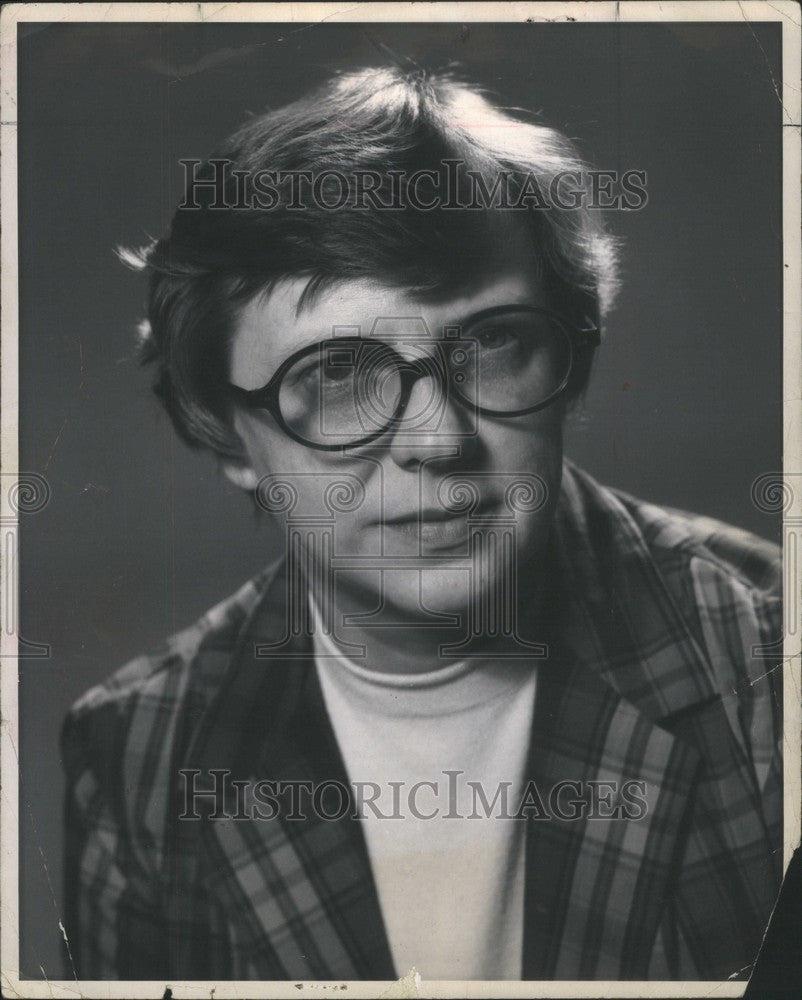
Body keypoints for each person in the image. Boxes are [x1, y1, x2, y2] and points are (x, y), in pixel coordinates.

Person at [61, 67, 782, 982]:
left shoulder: (772, 666)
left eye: (494, 346)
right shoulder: (135, 757)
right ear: (222, 429)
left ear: (574, 355)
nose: (438, 443)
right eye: (334, 375)